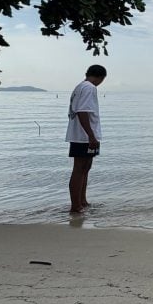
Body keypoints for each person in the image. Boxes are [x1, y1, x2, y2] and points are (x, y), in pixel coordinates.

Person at [66, 64, 107, 214]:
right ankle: (75, 206)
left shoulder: (80, 86)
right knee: (79, 169)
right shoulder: (89, 87)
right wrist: (91, 136)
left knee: (85, 168)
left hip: (82, 135)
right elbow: (83, 112)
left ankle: (82, 201)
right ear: (101, 77)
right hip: (84, 136)